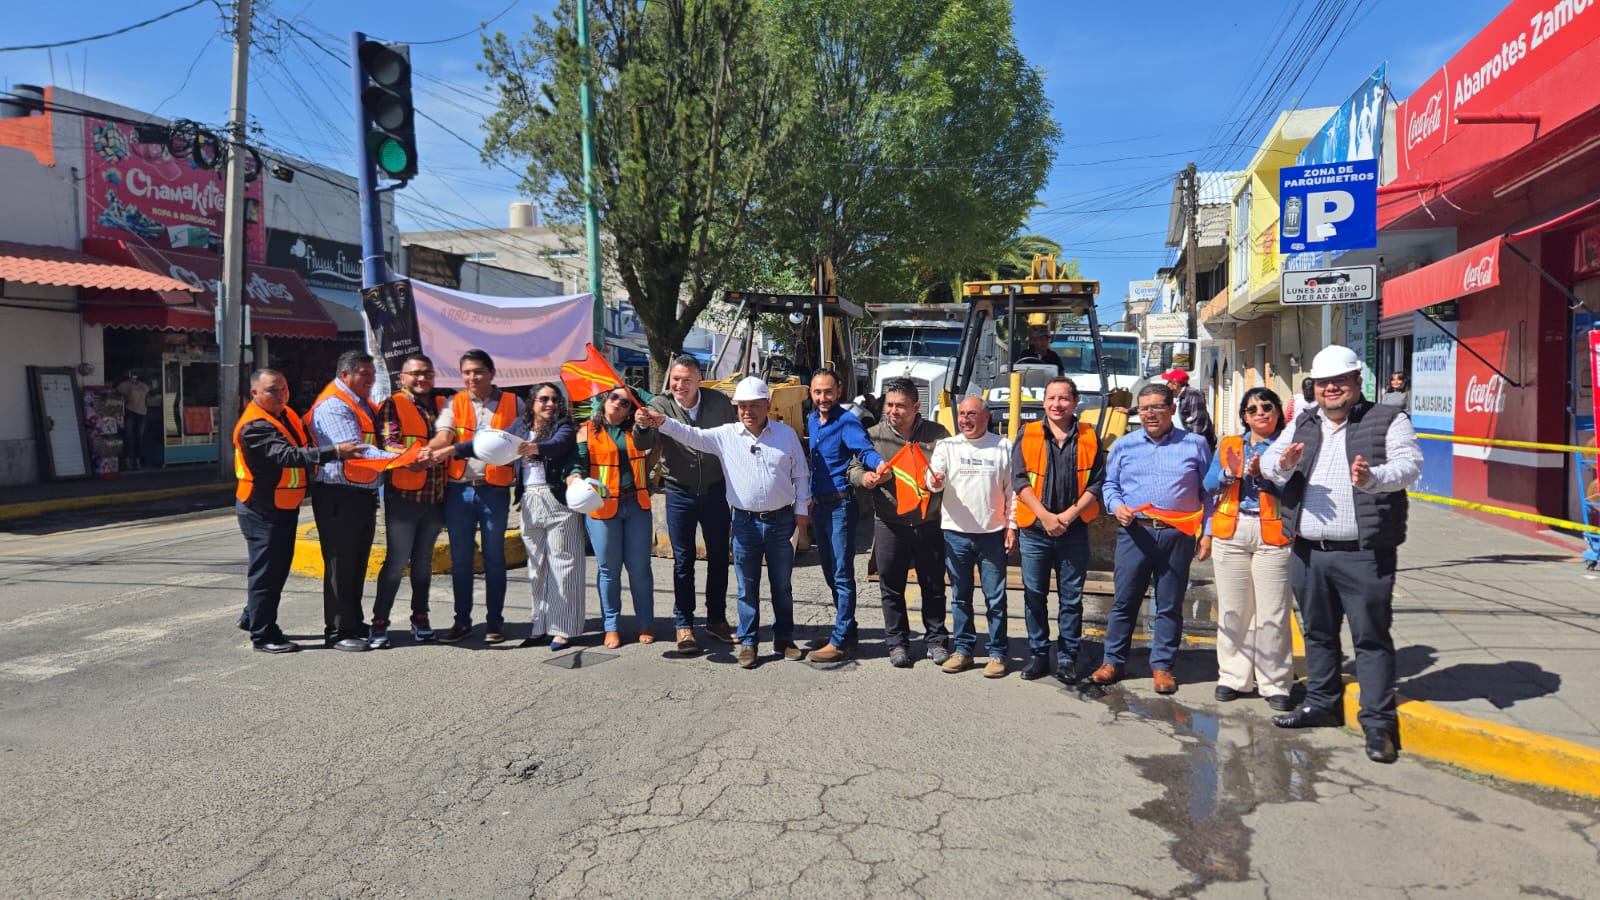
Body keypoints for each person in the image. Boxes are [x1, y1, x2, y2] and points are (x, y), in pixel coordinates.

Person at [1262, 344, 1422, 764]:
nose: (1330, 389)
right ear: (1314, 387)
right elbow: (1268, 464)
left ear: (1356, 381)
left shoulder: (1388, 419)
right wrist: (1283, 464)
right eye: (1323, 383)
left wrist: (1372, 478)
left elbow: (1409, 466)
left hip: (1364, 552)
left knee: (1370, 637)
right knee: (1317, 633)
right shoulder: (1303, 421)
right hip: (1308, 551)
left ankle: (1378, 723)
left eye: (1339, 381)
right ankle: (1322, 704)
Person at [634, 377, 811, 669]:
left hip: (781, 521)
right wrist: (662, 422)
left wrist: (801, 509)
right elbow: (690, 435)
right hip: (744, 523)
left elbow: (801, 473)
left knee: (782, 586)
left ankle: (784, 638)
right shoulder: (726, 435)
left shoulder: (786, 434)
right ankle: (749, 642)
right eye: (742, 406)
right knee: (747, 587)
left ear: (767, 405)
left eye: (754, 405)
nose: (748, 411)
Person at [1093, 382, 1213, 694]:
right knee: (1124, 600)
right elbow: (1110, 485)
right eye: (1144, 408)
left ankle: (1162, 667)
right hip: (1136, 533)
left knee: (1169, 604)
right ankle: (1112, 661)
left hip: (1178, 534)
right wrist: (1116, 507)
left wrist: (1207, 533)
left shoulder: (1195, 444)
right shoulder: (1125, 445)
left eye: (1157, 407)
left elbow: (1209, 492)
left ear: (1172, 408)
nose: (1150, 414)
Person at [233, 369, 358, 653]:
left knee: (276, 570)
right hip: (261, 510)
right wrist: (336, 451)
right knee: (267, 574)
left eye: (284, 388)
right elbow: (287, 455)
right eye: (272, 390)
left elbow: (305, 440)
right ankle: (263, 635)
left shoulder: (285, 414)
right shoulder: (254, 426)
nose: (281, 395)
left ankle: (252, 616)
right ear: (254, 393)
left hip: (283, 506)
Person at [1204, 387, 1295, 712]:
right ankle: (1233, 677)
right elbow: (1209, 485)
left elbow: (1296, 490)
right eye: (1252, 409)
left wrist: (1268, 475)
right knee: (1233, 609)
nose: (1260, 413)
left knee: (1273, 613)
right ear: (1244, 416)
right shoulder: (1230, 444)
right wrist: (1230, 472)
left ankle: (1275, 683)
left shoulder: (1288, 446)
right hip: (1232, 532)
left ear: (1278, 412)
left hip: (1273, 533)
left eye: (1267, 407)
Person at [850, 377, 951, 669]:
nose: (893, 411)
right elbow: (853, 468)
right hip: (889, 523)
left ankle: (936, 640)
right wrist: (866, 479)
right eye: (890, 405)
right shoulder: (873, 435)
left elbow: (952, 468)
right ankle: (897, 643)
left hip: (929, 523)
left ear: (916, 407)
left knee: (933, 585)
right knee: (891, 587)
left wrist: (943, 480)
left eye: (901, 406)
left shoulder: (937, 435)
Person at [639, 355, 737, 653]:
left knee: (719, 557)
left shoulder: (719, 403)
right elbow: (643, 444)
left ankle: (716, 619)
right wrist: (641, 427)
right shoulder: (659, 404)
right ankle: (684, 624)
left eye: (686, 380)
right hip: (679, 492)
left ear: (699, 380)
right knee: (683, 560)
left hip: (715, 490)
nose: (679, 385)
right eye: (675, 379)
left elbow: (736, 438)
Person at [1011, 378, 1105, 684]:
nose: (1056, 404)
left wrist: (1067, 516)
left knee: (1071, 599)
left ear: (1075, 402)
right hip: (1035, 530)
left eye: (1063, 398)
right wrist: (1045, 516)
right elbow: (1019, 479)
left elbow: (1097, 483)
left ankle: (1067, 658)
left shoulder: (1089, 436)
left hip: (1073, 531)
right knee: (1034, 596)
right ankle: (1039, 654)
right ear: (1043, 402)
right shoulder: (1028, 433)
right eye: (1051, 398)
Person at [427, 349, 526, 644]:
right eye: (467, 372)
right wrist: (428, 450)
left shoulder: (514, 403)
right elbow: (444, 436)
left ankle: (495, 623)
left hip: (495, 491)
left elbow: (520, 440)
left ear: (491, 373)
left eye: (479, 371)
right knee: (460, 561)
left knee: (494, 558)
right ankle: (462, 622)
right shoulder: (454, 402)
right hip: (459, 491)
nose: (473, 377)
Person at [928, 396, 1017, 677]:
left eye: (971, 414)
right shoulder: (947, 446)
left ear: (986, 416)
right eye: (962, 414)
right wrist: (934, 482)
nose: (965, 420)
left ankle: (998, 653)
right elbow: (932, 480)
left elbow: (1012, 491)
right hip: (955, 533)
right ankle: (964, 650)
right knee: (960, 597)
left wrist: (1012, 525)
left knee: (995, 598)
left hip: (992, 534)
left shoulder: (1004, 447)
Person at [804, 369, 887, 664]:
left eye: (828, 392)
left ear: (839, 391)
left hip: (841, 506)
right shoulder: (812, 420)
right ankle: (848, 631)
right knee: (829, 572)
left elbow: (865, 451)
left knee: (841, 574)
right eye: (817, 392)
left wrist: (879, 465)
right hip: (820, 507)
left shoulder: (847, 422)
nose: (823, 398)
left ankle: (839, 641)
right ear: (811, 393)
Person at [307, 350, 388, 652]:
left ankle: (354, 622)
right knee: (341, 564)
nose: (371, 380)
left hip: (359, 493)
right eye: (364, 374)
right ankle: (339, 631)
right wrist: (401, 459)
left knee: (356, 563)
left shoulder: (360, 402)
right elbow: (358, 450)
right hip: (338, 495)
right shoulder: (334, 405)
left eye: (372, 374)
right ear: (345, 374)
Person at [369, 354, 450, 647]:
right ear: (402, 378)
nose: (422, 378)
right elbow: (387, 443)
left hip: (435, 497)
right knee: (397, 561)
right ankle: (379, 622)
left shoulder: (443, 405)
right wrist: (415, 457)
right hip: (404, 497)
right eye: (415, 373)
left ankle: (420, 617)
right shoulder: (394, 404)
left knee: (423, 562)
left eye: (427, 373)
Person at [572, 387, 656, 648]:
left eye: (626, 401)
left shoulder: (639, 431)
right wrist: (574, 475)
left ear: (631, 410)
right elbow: (577, 463)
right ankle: (611, 626)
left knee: (640, 569)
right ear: (604, 399)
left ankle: (646, 623)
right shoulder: (586, 430)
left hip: (636, 505)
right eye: (614, 397)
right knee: (609, 570)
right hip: (602, 508)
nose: (618, 402)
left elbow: (656, 403)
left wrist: (637, 397)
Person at [516, 383, 586, 651]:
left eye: (555, 399)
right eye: (544, 399)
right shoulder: (520, 428)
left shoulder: (564, 426)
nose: (550, 404)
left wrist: (533, 448)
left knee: (564, 565)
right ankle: (539, 625)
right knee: (536, 568)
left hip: (556, 498)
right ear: (532, 402)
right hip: (528, 499)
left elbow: (557, 446)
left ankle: (563, 629)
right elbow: (499, 443)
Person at [1161, 368, 1216, 448]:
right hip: (1182, 442)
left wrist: (1194, 444)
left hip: (1195, 443)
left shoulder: (1193, 394)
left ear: (1175, 385)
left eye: (1169, 382)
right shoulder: (1175, 397)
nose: (1167, 385)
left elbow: (1199, 420)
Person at [116, 371, 149, 470]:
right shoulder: (124, 385)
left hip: (142, 413)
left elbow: (146, 397)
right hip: (129, 411)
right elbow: (119, 396)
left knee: (139, 437)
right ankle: (127, 459)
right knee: (128, 436)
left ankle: (137, 460)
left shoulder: (144, 386)